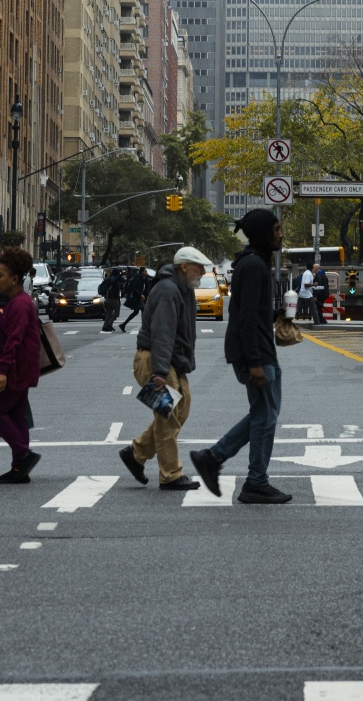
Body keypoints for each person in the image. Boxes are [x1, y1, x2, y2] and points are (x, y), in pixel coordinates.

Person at [191, 210, 291, 505]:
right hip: (257, 354)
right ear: (264, 232)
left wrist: (275, 314)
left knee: (265, 415)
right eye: (277, 229)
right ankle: (254, 481)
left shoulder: (253, 264)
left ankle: (214, 458)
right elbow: (245, 318)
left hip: (261, 350)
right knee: (265, 418)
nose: (281, 234)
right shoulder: (253, 266)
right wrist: (255, 362)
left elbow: (252, 313)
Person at [121, 247, 207, 491]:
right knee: (167, 417)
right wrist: (159, 372)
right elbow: (162, 333)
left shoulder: (184, 289)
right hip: (156, 360)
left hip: (171, 361)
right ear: (183, 267)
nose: (202, 271)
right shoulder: (169, 290)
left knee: (180, 409)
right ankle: (170, 474)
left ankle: (136, 454)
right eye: (197, 267)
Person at [0, 248, 44, 484]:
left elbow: (13, 341)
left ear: (14, 279)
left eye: (0, 275)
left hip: (15, 370)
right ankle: (20, 468)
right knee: (17, 416)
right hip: (21, 369)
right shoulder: (20, 302)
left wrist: (2, 371)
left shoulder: (19, 304)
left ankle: (23, 455)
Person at [118, 265, 148, 333]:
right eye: (145, 271)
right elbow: (134, 288)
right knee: (143, 310)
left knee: (136, 312)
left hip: (138, 297)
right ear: (142, 272)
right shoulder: (138, 278)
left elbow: (145, 288)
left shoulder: (143, 278)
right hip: (136, 298)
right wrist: (140, 295)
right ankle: (144, 327)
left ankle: (123, 324)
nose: (146, 272)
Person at [98, 266, 122, 333]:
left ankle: (105, 326)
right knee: (117, 311)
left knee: (109, 312)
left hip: (108, 297)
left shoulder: (109, 279)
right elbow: (118, 285)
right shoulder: (114, 279)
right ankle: (109, 323)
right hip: (113, 297)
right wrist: (121, 276)